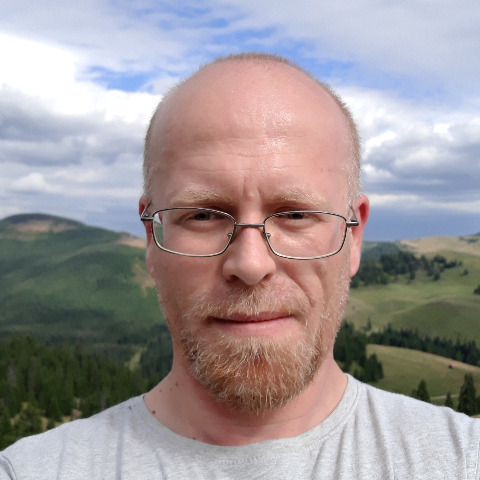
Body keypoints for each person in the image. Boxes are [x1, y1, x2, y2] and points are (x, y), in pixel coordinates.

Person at [1, 52, 479, 479]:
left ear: (353, 236)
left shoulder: (463, 461)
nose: (250, 264)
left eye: (295, 214)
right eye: (203, 215)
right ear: (152, 237)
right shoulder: (30, 471)